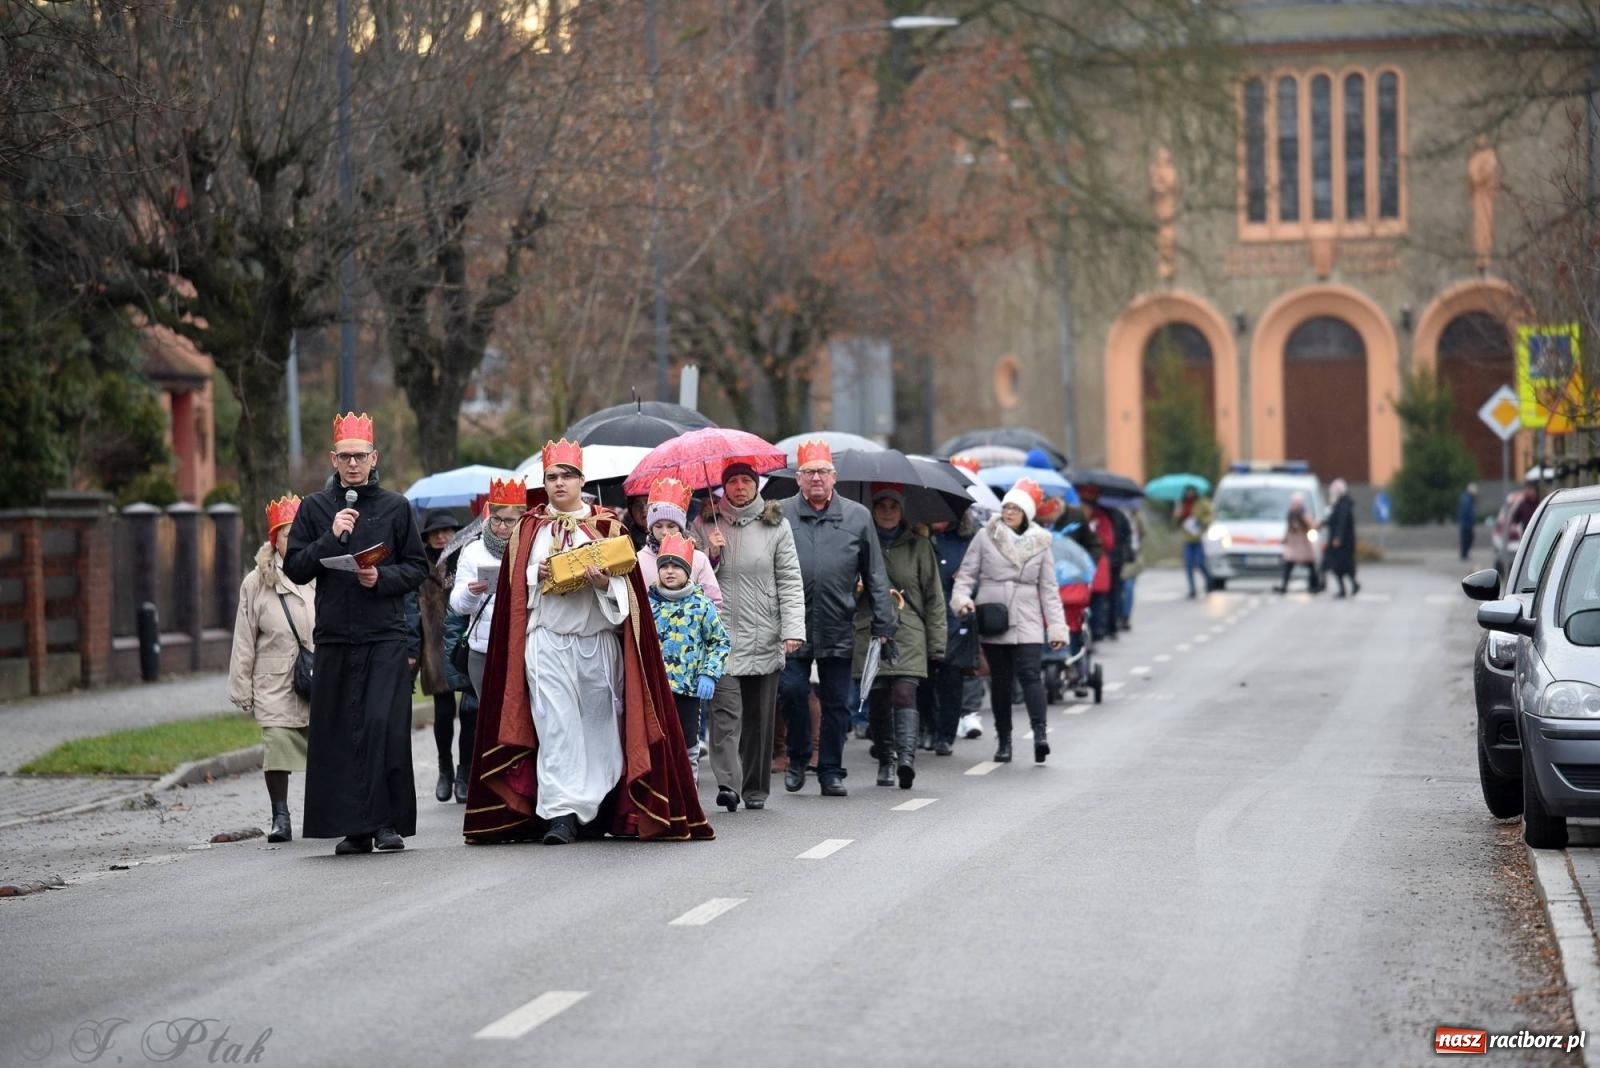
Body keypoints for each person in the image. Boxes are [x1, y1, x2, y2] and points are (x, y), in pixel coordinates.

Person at [462, 439, 712, 845]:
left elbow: (628, 599)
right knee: (557, 728)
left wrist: (602, 582)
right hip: (546, 643)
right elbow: (512, 593)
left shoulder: (608, 528)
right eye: (552, 477)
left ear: (581, 480)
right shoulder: (528, 530)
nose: (559, 484)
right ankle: (561, 814)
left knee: (598, 731)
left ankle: (593, 810)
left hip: (597, 644)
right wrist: (536, 575)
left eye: (566, 476)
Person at [283, 413, 429, 855]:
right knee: (342, 732)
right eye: (344, 457)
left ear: (373, 458)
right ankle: (355, 828)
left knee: (383, 726)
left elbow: (418, 568)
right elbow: (295, 566)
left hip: (384, 635)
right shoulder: (314, 509)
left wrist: (380, 578)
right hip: (335, 638)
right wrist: (330, 539)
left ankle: (387, 823)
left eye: (359, 457)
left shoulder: (395, 507)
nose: (352, 465)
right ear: (333, 459)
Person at [778, 440, 895, 797]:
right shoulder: (779, 514)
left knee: (836, 703)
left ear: (834, 477)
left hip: (837, 621)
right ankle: (799, 758)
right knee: (792, 691)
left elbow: (875, 572)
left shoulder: (858, 516)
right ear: (798, 478)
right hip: (793, 623)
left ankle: (831, 770)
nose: (817, 478)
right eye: (810, 472)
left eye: (823, 472)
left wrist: (884, 623)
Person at [691, 463, 805, 811]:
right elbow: (687, 579)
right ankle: (728, 784)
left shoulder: (776, 525)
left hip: (764, 631)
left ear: (756, 486)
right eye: (732, 482)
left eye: (745, 481)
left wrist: (793, 629)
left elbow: (789, 579)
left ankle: (755, 788)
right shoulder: (703, 524)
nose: (739, 487)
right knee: (725, 713)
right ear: (723, 488)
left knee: (758, 718)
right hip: (720, 635)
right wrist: (709, 553)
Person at [950, 479, 1069, 764]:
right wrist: (963, 599)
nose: (1010, 512)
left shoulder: (1041, 542)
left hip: (1027, 615)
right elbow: (966, 574)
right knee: (1001, 682)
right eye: (1007, 507)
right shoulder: (985, 536)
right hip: (994, 615)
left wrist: (1055, 626)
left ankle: (1040, 734)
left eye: (1016, 508)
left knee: (1030, 675)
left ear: (1027, 513)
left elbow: (1049, 589)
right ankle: (1004, 741)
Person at [228, 494, 316, 844]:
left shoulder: (317, 574)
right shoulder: (256, 582)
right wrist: (241, 688)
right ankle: (280, 815)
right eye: (286, 534)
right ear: (273, 539)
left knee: (324, 749)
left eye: (300, 534)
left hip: (316, 676)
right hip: (275, 680)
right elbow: (243, 638)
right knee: (277, 745)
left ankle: (326, 812)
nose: (292, 542)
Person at [857, 484, 946, 789]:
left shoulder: (919, 546)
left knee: (905, 693)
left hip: (909, 630)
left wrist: (937, 644)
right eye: (881, 505)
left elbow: (934, 596)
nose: (887, 512)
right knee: (879, 698)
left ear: (901, 510)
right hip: (870, 629)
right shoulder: (859, 542)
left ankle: (906, 758)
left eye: (893, 506)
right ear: (872, 509)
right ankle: (885, 760)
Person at [647, 534, 730, 799]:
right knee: (658, 742)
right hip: (655, 689)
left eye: (676, 566)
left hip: (689, 688)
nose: (669, 572)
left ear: (687, 571)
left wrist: (709, 673)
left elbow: (720, 642)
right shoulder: (649, 604)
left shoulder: (701, 605)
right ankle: (660, 793)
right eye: (664, 566)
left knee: (688, 743)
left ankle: (687, 794)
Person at [450, 477, 528, 703]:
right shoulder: (473, 550)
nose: (501, 527)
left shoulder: (532, 545)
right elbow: (457, 605)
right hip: (483, 651)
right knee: (489, 718)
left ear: (522, 519)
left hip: (523, 648)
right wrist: (471, 592)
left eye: (509, 521)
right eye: (496, 520)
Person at [414, 508, 469, 803]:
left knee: (470, 712)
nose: (441, 536)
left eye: (447, 531)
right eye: (435, 532)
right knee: (444, 712)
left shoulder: (465, 558)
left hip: (463, 642)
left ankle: (464, 772)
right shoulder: (419, 564)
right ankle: (445, 769)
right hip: (433, 646)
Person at [930, 507, 981, 756]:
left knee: (951, 679)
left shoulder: (969, 541)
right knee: (924, 680)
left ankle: (945, 736)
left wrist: (970, 578)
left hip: (957, 618)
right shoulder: (921, 537)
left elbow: (982, 574)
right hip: (926, 617)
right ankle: (926, 729)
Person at [636, 477, 722, 607]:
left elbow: (714, 601)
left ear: (680, 528)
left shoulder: (698, 558)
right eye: (658, 526)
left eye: (671, 526)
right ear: (650, 527)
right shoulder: (638, 561)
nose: (664, 532)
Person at [1080, 486, 1116, 640]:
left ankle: (1096, 632)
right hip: (1080, 569)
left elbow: (1109, 542)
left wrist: (1094, 536)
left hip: (1098, 569)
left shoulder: (1102, 520)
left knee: (1097, 605)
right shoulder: (1076, 520)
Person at [1276, 493, 1321, 594]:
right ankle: (1284, 586)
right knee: (1289, 565)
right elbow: (1288, 528)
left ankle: (1314, 585)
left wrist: (1317, 524)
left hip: (1302, 543)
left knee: (1310, 565)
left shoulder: (1303, 514)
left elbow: (1311, 525)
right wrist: (1285, 538)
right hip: (1294, 543)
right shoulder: (1291, 514)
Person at [1323, 478, 1360, 597]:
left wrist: (1338, 537)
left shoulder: (1343, 505)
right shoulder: (1341, 504)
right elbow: (1332, 519)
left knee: (1337, 565)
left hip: (1342, 543)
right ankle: (1351, 586)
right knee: (1342, 566)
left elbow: (1341, 522)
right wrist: (1321, 523)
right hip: (1342, 542)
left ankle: (1348, 587)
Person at [1176, 486, 1214, 599]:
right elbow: (1177, 523)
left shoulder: (1201, 503)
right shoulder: (1181, 505)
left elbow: (1210, 516)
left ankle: (1209, 580)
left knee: (1200, 563)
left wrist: (1202, 521)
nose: (1189, 493)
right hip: (1187, 538)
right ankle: (1192, 589)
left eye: (1191, 491)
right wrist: (1177, 516)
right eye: (1188, 491)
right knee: (1188, 566)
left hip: (1198, 538)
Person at [1458, 482, 1478, 561]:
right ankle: (1464, 554)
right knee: (1467, 539)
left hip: (1465, 523)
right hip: (1466, 523)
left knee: (1466, 539)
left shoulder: (1465, 498)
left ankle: (1464, 554)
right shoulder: (1467, 499)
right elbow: (1467, 512)